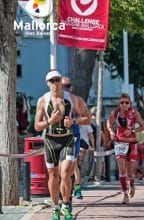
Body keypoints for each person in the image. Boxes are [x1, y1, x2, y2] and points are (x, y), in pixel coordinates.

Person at [34, 70, 90, 220]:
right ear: (47, 83)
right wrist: (49, 122)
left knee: (65, 174)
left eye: (57, 80)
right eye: (52, 81)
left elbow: (87, 118)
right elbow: (37, 126)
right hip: (51, 142)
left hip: (67, 139)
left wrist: (74, 121)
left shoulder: (71, 98)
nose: (55, 83)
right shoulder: (43, 100)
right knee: (53, 176)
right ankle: (55, 207)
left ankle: (66, 205)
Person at [107, 93, 144, 204]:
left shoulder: (134, 113)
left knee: (130, 172)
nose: (124, 104)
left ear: (130, 103)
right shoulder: (115, 113)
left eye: (126, 102)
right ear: (119, 103)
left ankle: (131, 185)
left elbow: (143, 126)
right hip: (120, 143)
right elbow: (108, 123)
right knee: (122, 170)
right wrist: (111, 131)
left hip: (132, 144)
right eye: (122, 102)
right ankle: (124, 194)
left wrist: (133, 131)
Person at [61, 76, 91, 202]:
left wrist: (74, 121)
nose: (64, 88)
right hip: (56, 138)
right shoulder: (51, 100)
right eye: (62, 85)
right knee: (59, 169)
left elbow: (87, 119)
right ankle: (62, 198)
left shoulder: (77, 100)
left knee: (72, 166)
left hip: (73, 136)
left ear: (71, 87)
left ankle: (75, 190)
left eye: (67, 86)